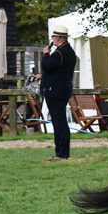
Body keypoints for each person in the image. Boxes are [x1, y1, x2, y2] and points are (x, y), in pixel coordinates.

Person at [40, 25, 77, 162]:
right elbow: (57, 70)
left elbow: (46, 65)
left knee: (59, 123)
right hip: (63, 90)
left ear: (58, 38)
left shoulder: (59, 53)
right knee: (60, 122)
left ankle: (61, 153)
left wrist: (45, 53)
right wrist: (43, 76)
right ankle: (61, 152)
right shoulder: (69, 52)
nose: (52, 40)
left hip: (55, 92)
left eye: (53, 37)